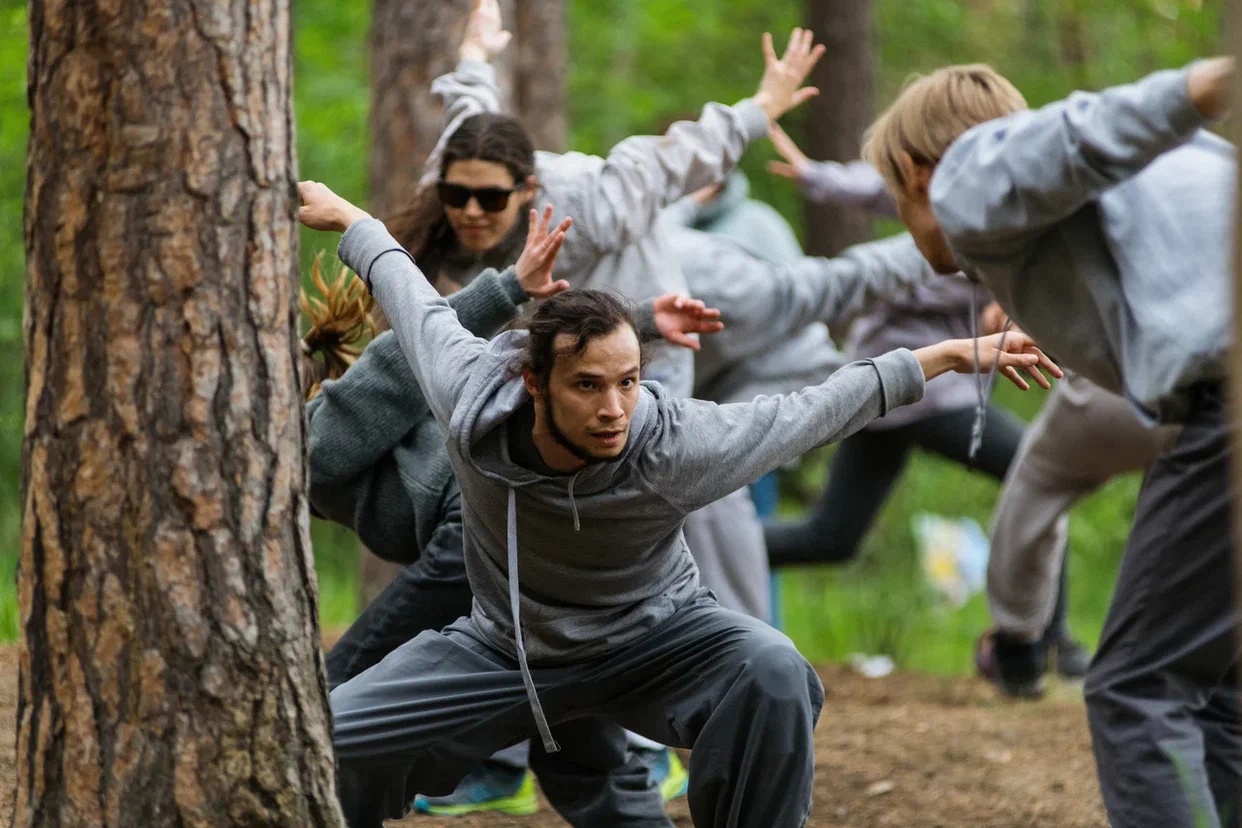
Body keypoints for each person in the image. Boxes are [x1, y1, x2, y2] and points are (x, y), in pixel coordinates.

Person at [296, 177, 1058, 828]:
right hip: (506, 648)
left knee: (772, 669)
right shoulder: (471, 395)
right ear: (534, 382)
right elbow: (411, 296)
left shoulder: (673, 446)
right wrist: (351, 220)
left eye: (627, 383)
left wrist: (944, 356)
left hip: (659, 639)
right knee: (325, 746)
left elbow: (816, 408)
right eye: (587, 386)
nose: (613, 410)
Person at [863, 57, 1235, 827]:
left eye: (895, 196)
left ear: (913, 171)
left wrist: (1201, 83)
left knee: (1137, 688)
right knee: (1219, 686)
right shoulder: (1152, 175)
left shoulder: (961, 176)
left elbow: (1082, 131)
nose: (905, 216)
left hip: (1226, 403)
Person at [303, 211, 722, 821]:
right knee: (576, 738)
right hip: (514, 537)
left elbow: (416, 347)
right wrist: (641, 319)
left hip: (477, 533)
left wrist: (510, 289)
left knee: (332, 695)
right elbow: (543, 357)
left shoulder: (322, 429)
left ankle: (312, 771)